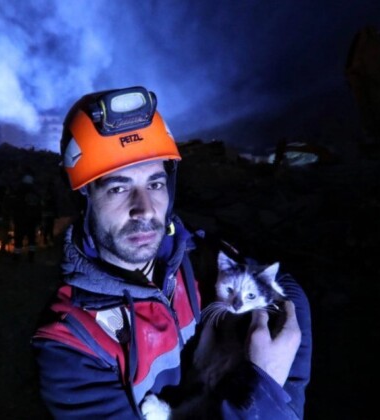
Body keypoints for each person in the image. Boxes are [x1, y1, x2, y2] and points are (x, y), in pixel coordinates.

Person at [31, 86, 312, 418]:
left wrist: (288, 396)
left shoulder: (195, 257)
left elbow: (285, 288)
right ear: (83, 200)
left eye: (155, 184)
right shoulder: (72, 343)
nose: (145, 209)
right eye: (118, 188)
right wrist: (263, 390)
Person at [11, 172, 42, 262]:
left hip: (20, 220)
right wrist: (38, 221)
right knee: (32, 239)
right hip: (32, 221)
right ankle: (31, 257)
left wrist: (14, 218)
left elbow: (14, 206)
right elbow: (38, 208)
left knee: (18, 238)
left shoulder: (19, 193)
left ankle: (17, 256)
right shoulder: (36, 194)